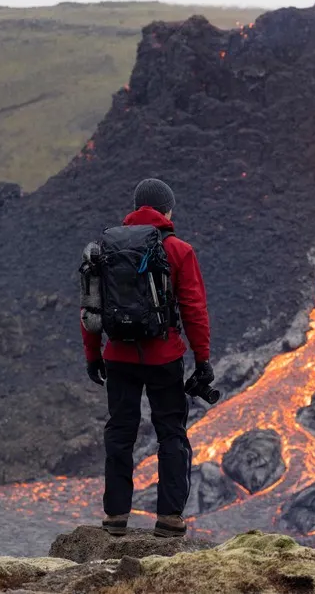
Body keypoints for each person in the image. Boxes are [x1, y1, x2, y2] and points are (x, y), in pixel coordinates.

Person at [82, 178, 213, 538]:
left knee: (120, 432)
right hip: (164, 358)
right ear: (167, 210)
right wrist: (203, 359)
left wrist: (93, 355)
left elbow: (90, 307)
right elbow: (194, 309)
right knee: (170, 433)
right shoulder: (179, 250)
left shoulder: (102, 248)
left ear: (136, 208)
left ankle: (115, 517)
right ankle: (169, 518)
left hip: (118, 356)